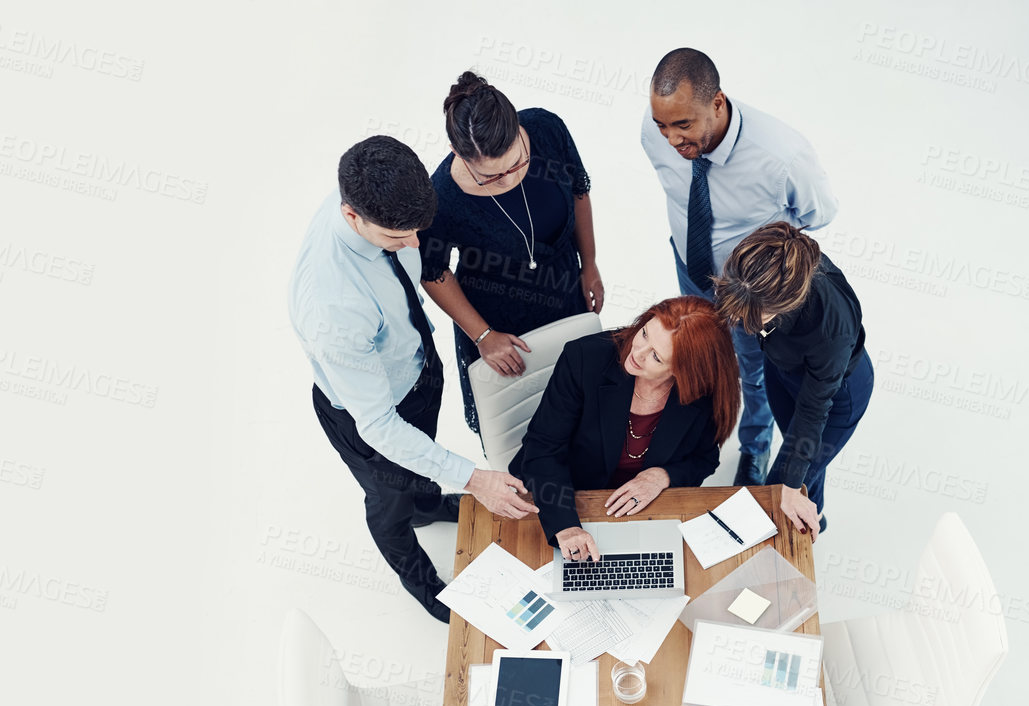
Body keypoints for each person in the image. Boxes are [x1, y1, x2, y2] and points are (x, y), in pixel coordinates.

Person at [288, 135, 539, 621]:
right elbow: (379, 426)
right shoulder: (332, 308)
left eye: (417, 230)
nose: (416, 246)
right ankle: (428, 592)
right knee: (390, 501)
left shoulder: (376, 187)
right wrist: (474, 480)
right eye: (396, 238)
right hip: (370, 415)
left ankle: (429, 504)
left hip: (415, 370)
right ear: (351, 217)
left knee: (420, 468)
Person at [641, 47, 837, 489]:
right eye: (662, 126)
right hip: (689, 266)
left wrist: (757, 258)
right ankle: (691, 437)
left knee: (754, 370)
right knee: (691, 352)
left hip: (749, 292)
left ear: (717, 103)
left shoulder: (782, 155)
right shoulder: (653, 133)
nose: (671, 140)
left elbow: (818, 214)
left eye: (683, 126)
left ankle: (753, 446)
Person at [418, 71, 603, 442]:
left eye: (516, 163)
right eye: (491, 177)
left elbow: (579, 191)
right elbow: (433, 271)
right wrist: (483, 335)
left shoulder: (547, 129)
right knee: (516, 427)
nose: (507, 180)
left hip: (565, 286)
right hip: (496, 317)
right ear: (458, 154)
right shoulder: (441, 195)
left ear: (519, 126)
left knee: (581, 409)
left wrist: (590, 263)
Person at [509, 296, 739, 561]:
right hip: (564, 499)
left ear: (684, 371)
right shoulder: (584, 358)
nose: (637, 352)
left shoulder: (703, 394)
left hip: (644, 510)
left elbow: (704, 459)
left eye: (656, 356)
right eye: (644, 333)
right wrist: (566, 526)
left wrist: (663, 477)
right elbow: (542, 449)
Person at [712, 222, 871, 540]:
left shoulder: (831, 331)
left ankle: (801, 530)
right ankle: (817, 514)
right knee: (807, 466)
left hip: (835, 397)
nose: (743, 324)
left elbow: (813, 413)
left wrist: (787, 485)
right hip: (782, 371)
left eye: (754, 318)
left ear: (788, 303)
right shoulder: (768, 264)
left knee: (778, 491)